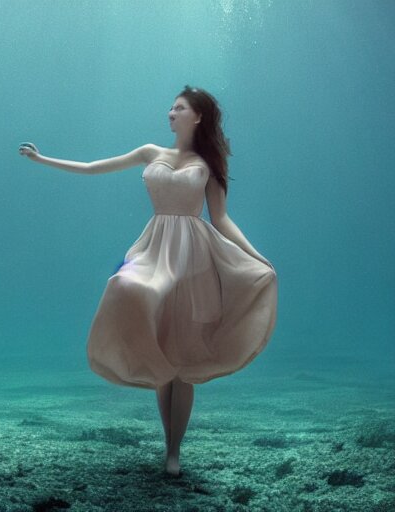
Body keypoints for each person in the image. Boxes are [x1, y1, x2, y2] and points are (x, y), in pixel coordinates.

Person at [18, 85, 278, 477]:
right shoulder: (150, 152)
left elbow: (221, 218)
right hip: (154, 251)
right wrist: (42, 159)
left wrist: (257, 258)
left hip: (194, 260)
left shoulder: (208, 161)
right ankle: (168, 444)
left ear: (198, 116)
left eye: (179, 108)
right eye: (171, 108)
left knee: (181, 360)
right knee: (127, 287)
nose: (170, 113)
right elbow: (93, 167)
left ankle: (173, 453)